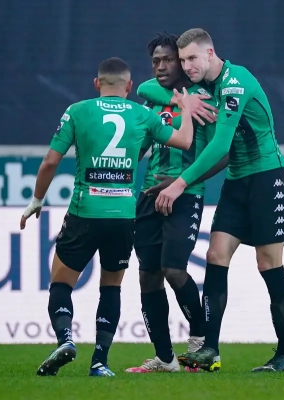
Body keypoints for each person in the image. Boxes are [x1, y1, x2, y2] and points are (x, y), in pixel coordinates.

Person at [137, 28, 284, 373]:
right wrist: (181, 102)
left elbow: (221, 146)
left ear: (210, 53)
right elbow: (147, 88)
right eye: (183, 60)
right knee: (215, 255)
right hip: (237, 181)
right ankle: (208, 348)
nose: (186, 66)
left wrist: (180, 183)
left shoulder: (235, 82)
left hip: (267, 177)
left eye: (192, 59)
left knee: (268, 263)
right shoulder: (205, 88)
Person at [20, 57, 195, 377]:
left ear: (96, 83)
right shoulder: (142, 114)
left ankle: (65, 339)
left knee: (61, 281)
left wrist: (37, 200)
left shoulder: (77, 111)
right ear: (129, 86)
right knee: (111, 287)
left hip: (84, 212)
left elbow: (50, 162)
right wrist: (187, 110)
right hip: (123, 216)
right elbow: (184, 141)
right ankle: (100, 361)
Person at [124, 32, 228, 374]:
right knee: (148, 276)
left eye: (169, 60)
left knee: (172, 268)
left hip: (186, 195)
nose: (161, 66)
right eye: (156, 61)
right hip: (149, 195)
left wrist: (184, 182)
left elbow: (223, 154)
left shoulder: (202, 101)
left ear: (182, 64)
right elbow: (139, 145)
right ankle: (165, 359)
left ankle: (198, 344)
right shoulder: (152, 103)